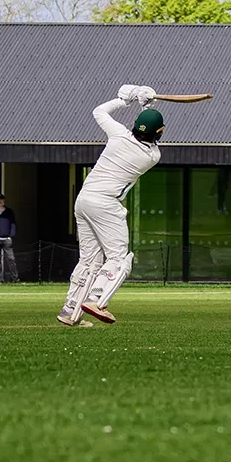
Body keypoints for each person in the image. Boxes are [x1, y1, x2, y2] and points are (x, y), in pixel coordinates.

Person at [60, 85, 164, 327]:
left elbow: (99, 112)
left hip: (84, 200)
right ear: (158, 133)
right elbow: (150, 136)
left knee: (89, 260)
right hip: (106, 204)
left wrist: (125, 99)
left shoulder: (118, 135)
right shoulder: (151, 157)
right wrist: (147, 106)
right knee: (119, 258)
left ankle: (70, 311)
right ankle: (97, 299)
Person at [0, 196, 19, 282]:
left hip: (6, 238)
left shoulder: (9, 212)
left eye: (1, 200)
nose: (0, 201)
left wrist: (11, 236)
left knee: (11, 258)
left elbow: (13, 224)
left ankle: (15, 278)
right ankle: (0, 279)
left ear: (4, 201)